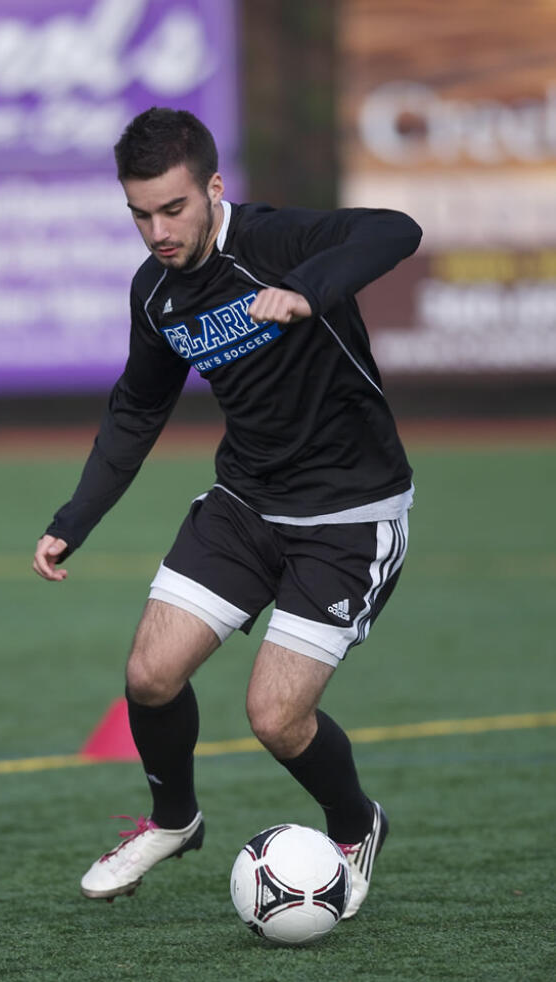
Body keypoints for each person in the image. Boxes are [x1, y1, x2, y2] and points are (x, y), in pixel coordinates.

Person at [32, 107, 421, 920]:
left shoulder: (275, 242)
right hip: (246, 503)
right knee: (150, 673)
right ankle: (175, 819)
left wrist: (307, 290)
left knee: (276, 718)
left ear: (213, 188)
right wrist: (77, 517)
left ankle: (356, 825)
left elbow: (396, 229)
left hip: (351, 516)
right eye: (139, 213)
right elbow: (137, 411)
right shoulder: (157, 294)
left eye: (173, 208)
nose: (157, 230)